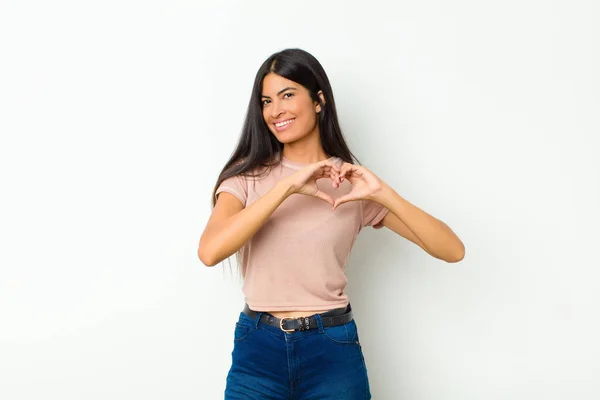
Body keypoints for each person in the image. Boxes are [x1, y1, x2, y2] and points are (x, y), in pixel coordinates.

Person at [198, 48, 465, 400]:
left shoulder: (352, 184)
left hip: (332, 350)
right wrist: (286, 188)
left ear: (319, 100)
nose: (275, 110)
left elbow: (452, 250)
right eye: (266, 101)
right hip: (257, 352)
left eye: (287, 95)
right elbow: (210, 251)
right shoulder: (246, 180)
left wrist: (384, 194)